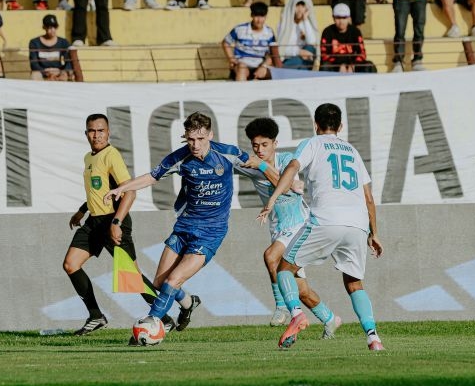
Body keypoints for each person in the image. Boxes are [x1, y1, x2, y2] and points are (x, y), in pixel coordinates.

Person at [103, 112, 252, 343]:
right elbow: (152, 177)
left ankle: (151, 324)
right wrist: (122, 188)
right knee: (160, 284)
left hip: (211, 232)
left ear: (210, 135)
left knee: (172, 281)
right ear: (185, 137)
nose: (195, 145)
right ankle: (189, 303)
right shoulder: (181, 158)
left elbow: (259, 165)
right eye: (191, 139)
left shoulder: (228, 153)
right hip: (184, 227)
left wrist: (284, 182)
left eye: (200, 139)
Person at [258, 103, 384, 351]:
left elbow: (292, 167)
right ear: (340, 126)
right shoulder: (352, 151)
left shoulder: (312, 144)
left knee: (284, 268)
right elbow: (368, 197)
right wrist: (374, 233)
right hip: (357, 224)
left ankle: (296, 314)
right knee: (354, 283)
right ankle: (373, 337)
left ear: (315, 124)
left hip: (325, 219)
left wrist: (272, 199)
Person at [64, 113, 175, 336]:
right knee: (70, 264)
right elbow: (99, 191)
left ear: (108, 132)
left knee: (132, 276)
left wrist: (116, 222)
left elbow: (130, 192)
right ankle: (96, 316)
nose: (96, 135)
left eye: (100, 131)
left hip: (113, 220)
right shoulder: (89, 158)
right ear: (86, 133)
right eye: (92, 131)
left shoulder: (111, 155)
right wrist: (82, 210)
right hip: (94, 221)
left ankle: (164, 318)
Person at [243, 117, 342, 335]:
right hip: (278, 229)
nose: (260, 150)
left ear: (275, 144)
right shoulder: (250, 165)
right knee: (300, 289)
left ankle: (282, 307)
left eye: (265, 145)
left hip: (299, 225)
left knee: (270, 256)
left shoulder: (287, 159)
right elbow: (227, 158)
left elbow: (285, 185)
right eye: (255, 146)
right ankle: (330, 318)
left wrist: (261, 166)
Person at [222, 1, 281, 81]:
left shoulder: (269, 32)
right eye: (256, 16)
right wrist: (231, 59)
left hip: (260, 65)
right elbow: (225, 43)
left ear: (266, 16)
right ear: (252, 15)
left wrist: (264, 66)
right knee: (242, 69)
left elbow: (272, 54)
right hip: (242, 64)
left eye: (262, 16)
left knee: (274, 74)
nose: (259, 20)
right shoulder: (240, 29)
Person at [320, 2, 373, 72]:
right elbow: (324, 55)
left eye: (344, 18)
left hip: (353, 66)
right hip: (334, 66)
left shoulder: (355, 31)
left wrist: (353, 65)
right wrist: (339, 65)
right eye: (338, 18)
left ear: (348, 18)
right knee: (325, 66)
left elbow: (362, 54)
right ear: (333, 18)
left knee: (369, 65)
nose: (341, 21)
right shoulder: (327, 32)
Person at [277, 0, 319, 69]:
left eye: (302, 6)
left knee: (310, 48)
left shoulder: (307, 24)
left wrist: (305, 19)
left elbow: (311, 42)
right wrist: (299, 52)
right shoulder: (284, 25)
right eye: (297, 6)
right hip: (290, 59)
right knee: (301, 62)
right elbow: (282, 49)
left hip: (306, 57)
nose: (300, 9)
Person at [28, 14, 72, 81]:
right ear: (44, 27)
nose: (53, 30)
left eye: (55, 27)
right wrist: (45, 72)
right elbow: (34, 64)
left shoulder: (63, 42)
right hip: (41, 72)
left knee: (66, 75)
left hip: (58, 71)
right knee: (35, 75)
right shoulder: (34, 42)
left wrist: (60, 71)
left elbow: (68, 62)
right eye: (49, 27)